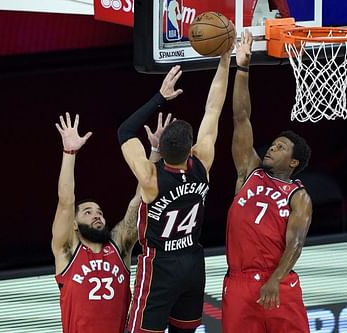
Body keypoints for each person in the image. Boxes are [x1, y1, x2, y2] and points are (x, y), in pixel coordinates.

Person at [117, 51, 231, 333]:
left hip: (160, 266)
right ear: (191, 147)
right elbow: (213, 109)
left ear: (160, 149)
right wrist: (226, 61)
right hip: (192, 262)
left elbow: (125, 131)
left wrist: (160, 97)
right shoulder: (202, 162)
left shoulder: (150, 176)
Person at [222, 30, 312, 333]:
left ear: (294, 162)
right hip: (239, 283)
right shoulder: (250, 171)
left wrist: (275, 279)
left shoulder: (298, 196)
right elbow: (241, 117)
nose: (272, 148)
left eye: (281, 147)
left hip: (279, 280)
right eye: (273, 144)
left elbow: (296, 243)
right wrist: (243, 67)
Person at [52, 112, 169, 333]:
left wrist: (154, 153)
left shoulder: (119, 246)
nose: (97, 215)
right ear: (74, 224)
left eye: (99, 212)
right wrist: (69, 153)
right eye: (87, 212)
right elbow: (66, 202)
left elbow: (140, 200)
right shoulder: (67, 251)